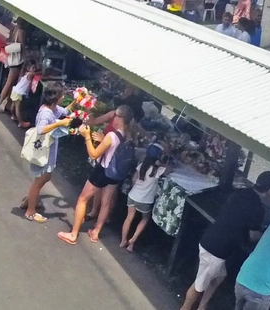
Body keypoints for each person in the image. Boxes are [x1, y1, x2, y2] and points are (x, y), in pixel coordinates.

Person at [178, 171, 270, 310]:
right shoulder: (257, 208)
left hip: (210, 238)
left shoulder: (240, 193)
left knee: (220, 276)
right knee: (199, 285)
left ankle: (202, 306)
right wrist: (266, 232)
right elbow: (253, 236)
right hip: (218, 250)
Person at [58, 105, 131, 245]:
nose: (112, 117)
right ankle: (96, 232)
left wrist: (87, 137)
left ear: (120, 118)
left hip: (102, 171)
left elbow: (94, 153)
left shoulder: (111, 135)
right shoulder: (125, 135)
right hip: (114, 173)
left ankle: (73, 234)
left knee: (82, 199)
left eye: (115, 115)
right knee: (106, 203)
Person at [20, 84, 74, 223]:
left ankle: (29, 201)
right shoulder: (46, 113)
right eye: (62, 95)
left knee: (46, 177)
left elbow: (65, 112)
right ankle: (30, 211)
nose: (63, 97)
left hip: (48, 150)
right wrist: (59, 123)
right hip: (42, 151)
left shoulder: (52, 108)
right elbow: (41, 129)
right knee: (38, 182)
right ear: (56, 97)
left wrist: (77, 102)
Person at [120, 145, 167, 252]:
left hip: (133, 195)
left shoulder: (141, 165)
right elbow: (170, 169)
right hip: (145, 200)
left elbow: (133, 179)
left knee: (128, 218)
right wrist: (162, 163)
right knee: (145, 219)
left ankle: (123, 240)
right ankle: (132, 241)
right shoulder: (158, 170)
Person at [9, 61, 40, 128]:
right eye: (33, 68)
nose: (34, 69)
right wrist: (40, 72)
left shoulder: (24, 74)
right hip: (19, 93)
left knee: (13, 105)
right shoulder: (29, 75)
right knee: (18, 108)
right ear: (28, 68)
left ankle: (13, 116)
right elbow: (34, 74)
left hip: (15, 90)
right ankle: (21, 122)